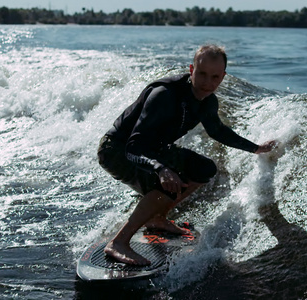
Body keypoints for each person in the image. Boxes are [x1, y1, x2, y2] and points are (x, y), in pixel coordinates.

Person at [97, 44, 276, 265]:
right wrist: (160, 169)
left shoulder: (207, 101)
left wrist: (256, 148)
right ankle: (119, 242)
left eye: (215, 77)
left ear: (223, 77)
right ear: (191, 69)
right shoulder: (164, 95)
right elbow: (134, 146)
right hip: (117, 150)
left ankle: (157, 218)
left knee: (204, 169)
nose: (207, 83)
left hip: (153, 149)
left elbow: (218, 131)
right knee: (167, 182)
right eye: (201, 74)